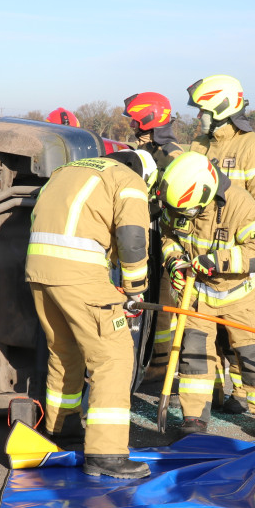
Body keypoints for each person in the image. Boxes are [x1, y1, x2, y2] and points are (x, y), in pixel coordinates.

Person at [25, 149, 158, 479]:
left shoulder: (70, 170)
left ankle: (61, 428)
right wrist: (134, 288)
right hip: (80, 273)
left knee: (64, 350)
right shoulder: (129, 181)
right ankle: (107, 453)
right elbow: (131, 235)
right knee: (112, 356)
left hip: (38, 268)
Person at [157, 151, 255, 439]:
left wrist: (219, 261)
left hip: (239, 297)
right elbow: (168, 237)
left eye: (187, 212)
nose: (180, 216)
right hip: (196, 295)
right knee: (194, 356)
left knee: (251, 356)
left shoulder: (239, 204)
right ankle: (194, 417)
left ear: (206, 194)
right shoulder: (179, 203)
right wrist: (174, 260)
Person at [186, 74, 255, 414]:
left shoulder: (254, 148)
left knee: (243, 338)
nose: (198, 117)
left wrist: (229, 253)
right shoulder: (199, 145)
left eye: (202, 110)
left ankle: (245, 396)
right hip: (201, 257)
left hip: (237, 258)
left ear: (220, 108)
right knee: (204, 339)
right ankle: (211, 396)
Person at [122, 92, 184, 383]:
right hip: (145, 234)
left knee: (161, 305)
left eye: (135, 121)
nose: (132, 127)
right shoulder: (145, 150)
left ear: (148, 120)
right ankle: (148, 362)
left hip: (163, 236)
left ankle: (161, 369)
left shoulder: (171, 155)